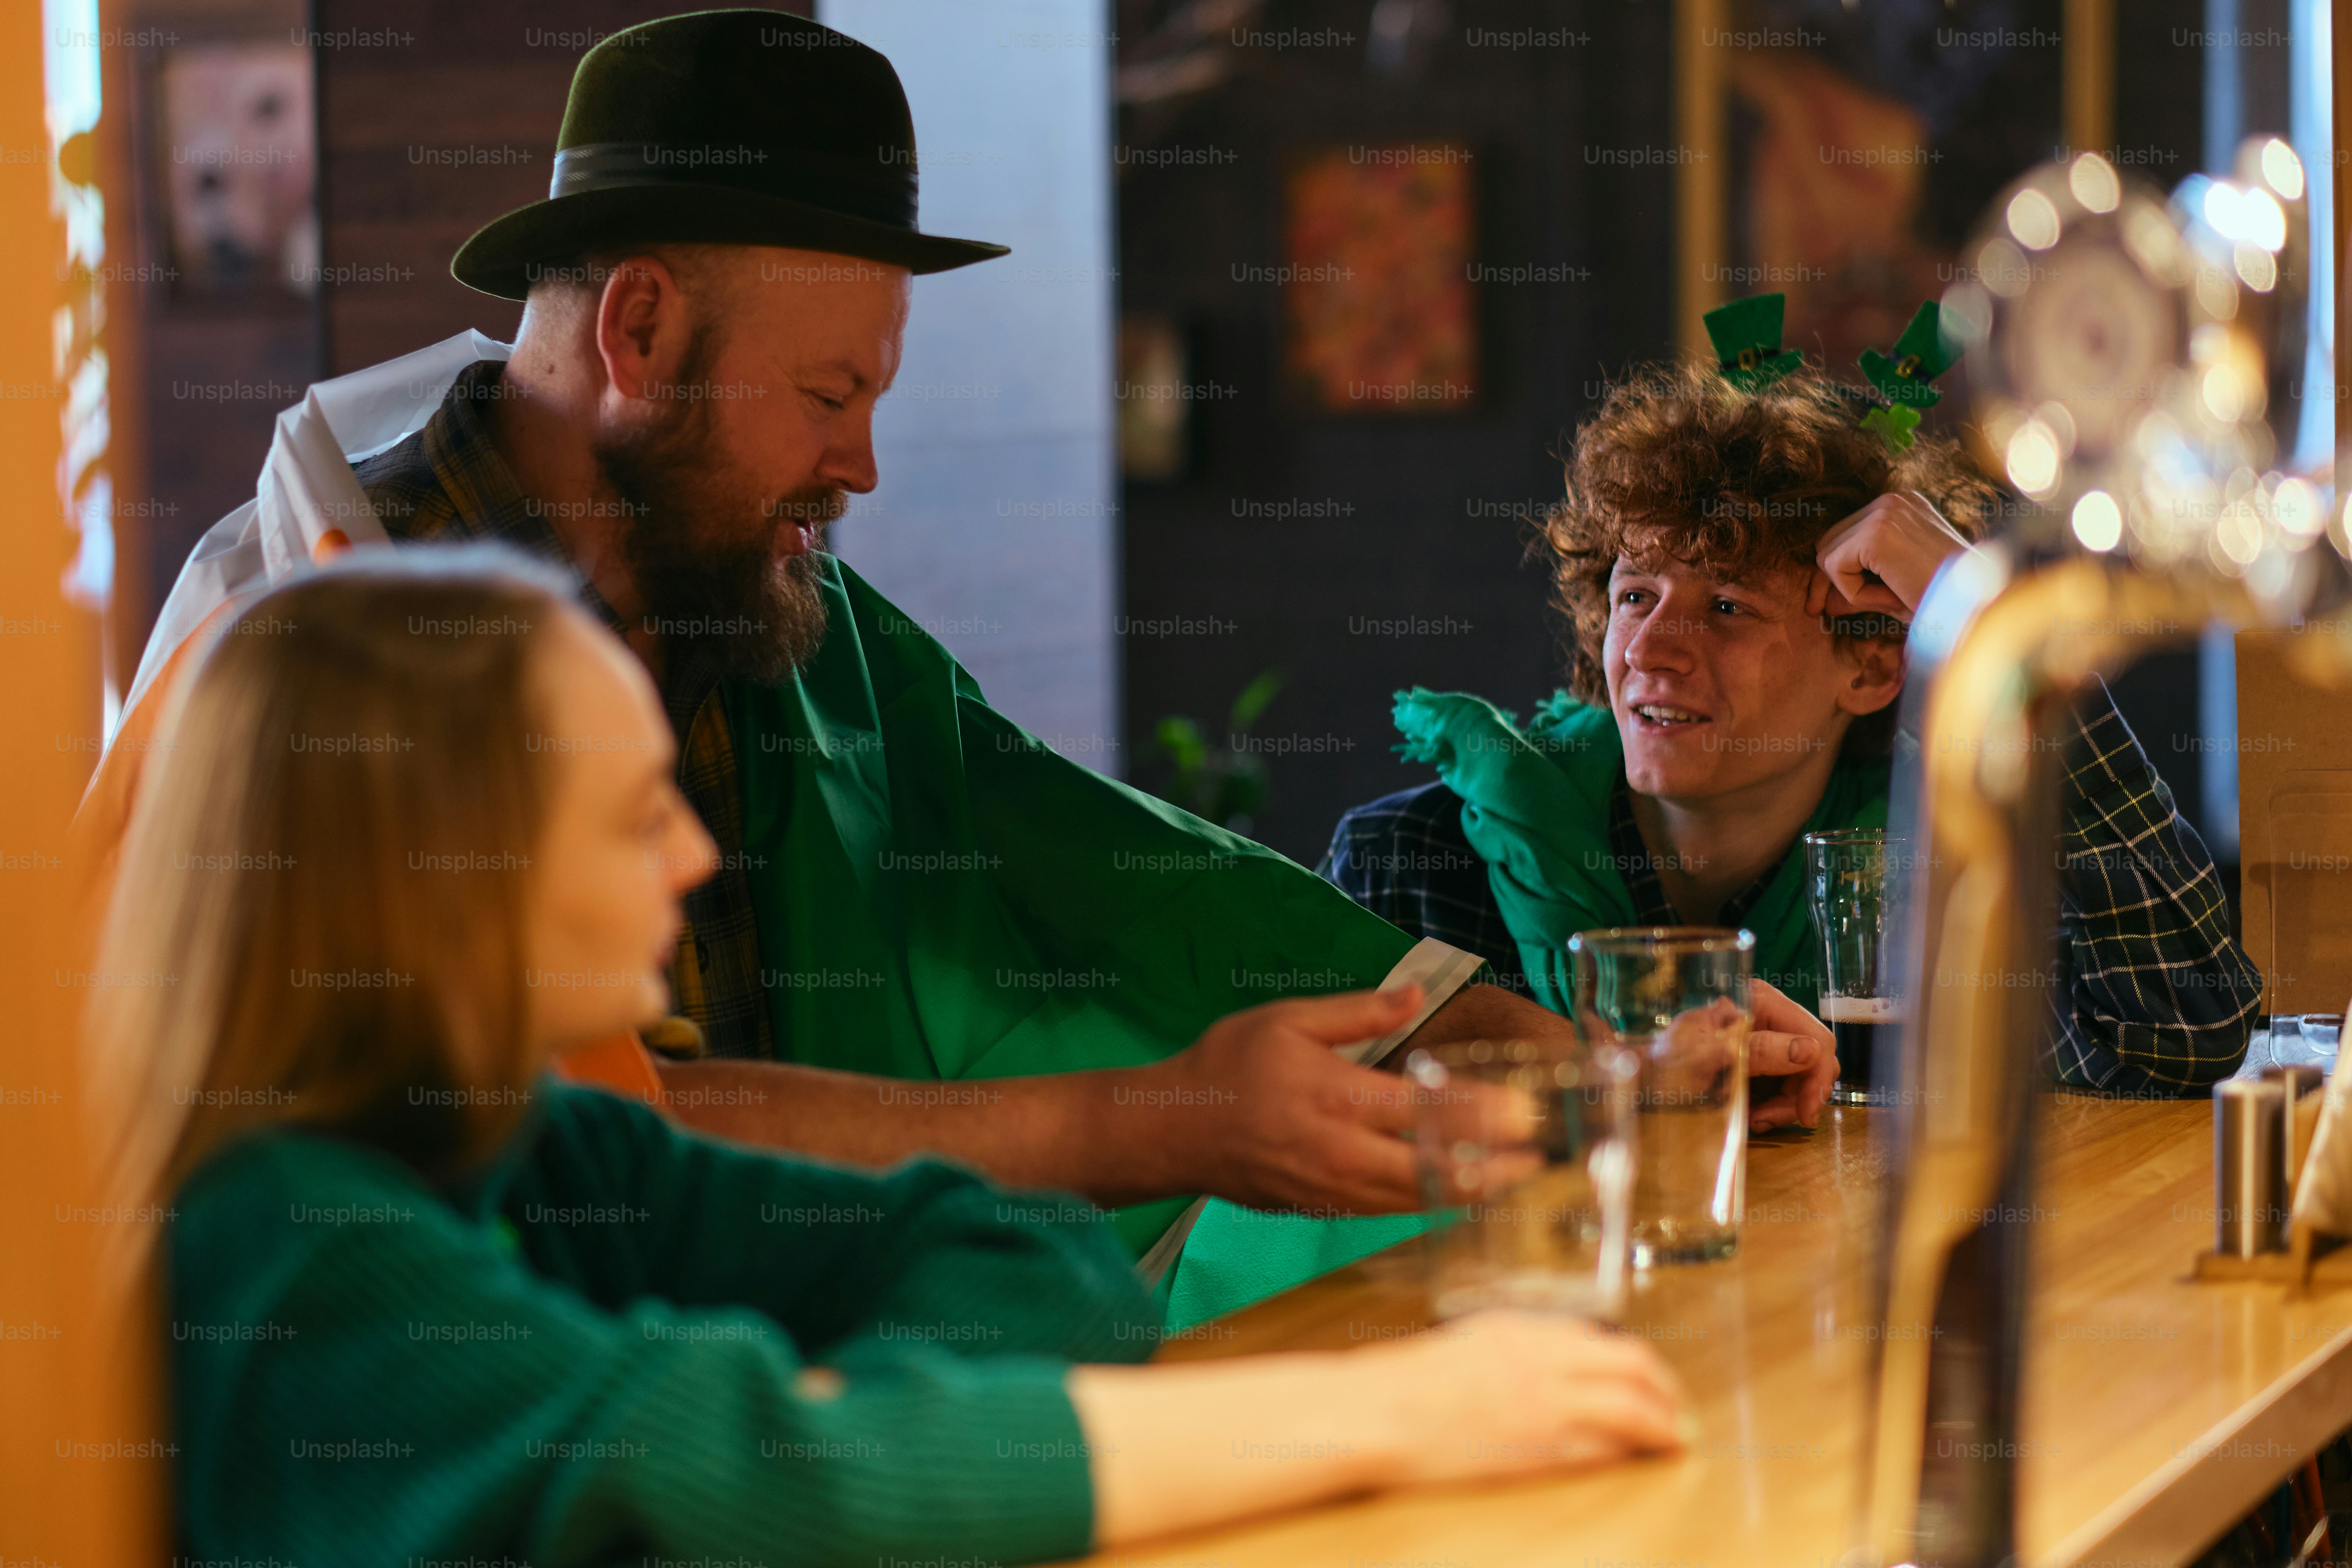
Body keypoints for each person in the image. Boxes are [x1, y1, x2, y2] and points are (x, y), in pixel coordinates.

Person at [85, 9, 1732, 1280]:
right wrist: (1167, 1121)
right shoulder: (312, 651)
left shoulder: (772, 610)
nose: (859, 465)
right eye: (826, 397)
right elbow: (578, 1126)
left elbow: (1126, 872)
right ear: (641, 329)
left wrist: (1571, 1057)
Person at [94, 553, 1690, 1565]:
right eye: (629, 810)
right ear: (448, 871)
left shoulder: (526, 1152)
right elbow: (730, 1474)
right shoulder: (285, 1239)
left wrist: (849, 1440)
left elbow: (1035, 1267)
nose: (692, 860)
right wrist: (1401, 1413)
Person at [1326, 347, 2260, 1095]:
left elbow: (2183, 1036)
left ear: (1871, 665)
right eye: (1636, 594)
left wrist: (1985, 622)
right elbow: (1287, 1187)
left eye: (1728, 606)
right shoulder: (1410, 868)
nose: (1651, 650)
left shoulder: (1941, 881)